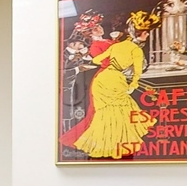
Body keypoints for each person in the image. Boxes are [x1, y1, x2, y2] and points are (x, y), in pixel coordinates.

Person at [59, 25, 156, 159]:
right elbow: (136, 69)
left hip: (107, 78)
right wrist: (132, 80)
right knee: (116, 111)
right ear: (89, 32)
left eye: (99, 26)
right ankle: (112, 145)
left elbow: (97, 60)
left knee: (116, 112)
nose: (99, 29)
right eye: (95, 28)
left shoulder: (112, 43)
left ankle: (115, 144)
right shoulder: (98, 46)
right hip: (110, 79)